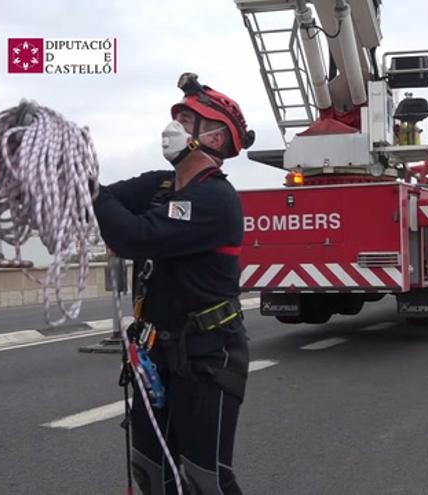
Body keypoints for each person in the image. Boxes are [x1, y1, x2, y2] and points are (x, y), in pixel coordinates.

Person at [93, 72, 255, 495]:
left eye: (187, 120)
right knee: (150, 470)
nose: (174, 128)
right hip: (155, 352)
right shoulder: (159, 186)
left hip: (207, 355)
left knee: (206, 480)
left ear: (216, 138)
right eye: (177, 117)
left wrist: (96, 198)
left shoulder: (215, 201)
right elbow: (105, 198)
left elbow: (134, 236)